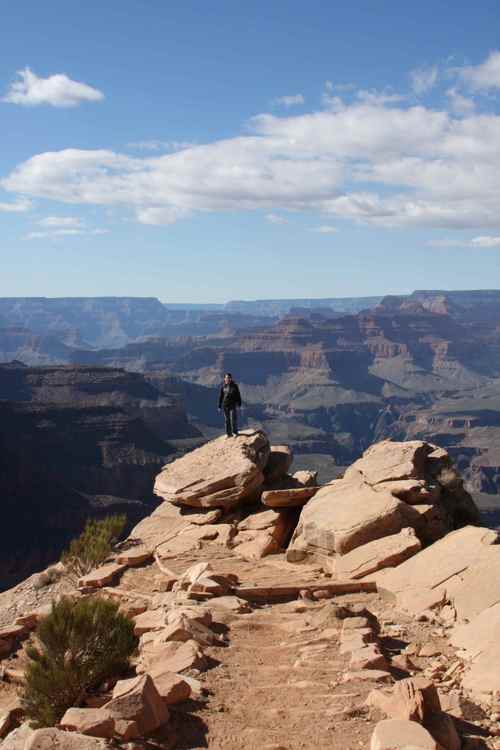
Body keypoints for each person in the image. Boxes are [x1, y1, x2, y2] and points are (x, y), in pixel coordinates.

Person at [218, 372, 242, 437]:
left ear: (231, 379)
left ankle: (235, 432)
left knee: (233, 419)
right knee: (227, 420)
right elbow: (221, 396)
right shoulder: (223, 386)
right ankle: (229, 434)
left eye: (228, 378)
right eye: (226, 378)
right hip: (225, 405)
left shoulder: (234, 386)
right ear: (224, 379)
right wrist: (219, 406)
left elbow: (238, 395)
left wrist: (239, 404)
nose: (227, 379)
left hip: (233, 405)